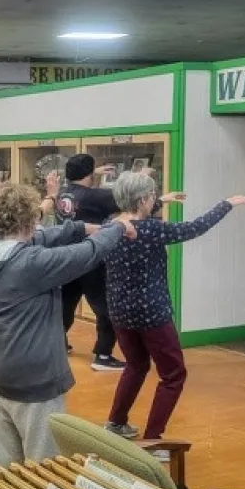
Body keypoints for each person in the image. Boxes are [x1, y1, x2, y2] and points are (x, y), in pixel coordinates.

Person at [0, 179, 134, 468]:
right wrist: (118, 226)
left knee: (3, 469)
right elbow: (87, 253)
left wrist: (81, 227)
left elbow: (43, 236)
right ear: (28, 221)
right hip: (33, 382)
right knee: (45, 470)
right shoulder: (31, 264)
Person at [103, 171, 245, 453]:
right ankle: (153, 441)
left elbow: (138, 215)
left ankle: (116, 422)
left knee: (136, 366)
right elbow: (195, 227)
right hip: (152, 314)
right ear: (144, 199)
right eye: (152, 196)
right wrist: (227, 203)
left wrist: (161, 202)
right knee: (173, 375)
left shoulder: (111, 225)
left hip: (120, 312)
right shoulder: (152, 230)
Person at [57, 154, 175, 371]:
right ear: (89, 174)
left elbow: (87, 191)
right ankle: (102, 354)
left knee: (65, 304)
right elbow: (128, 200)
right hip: (92, 259)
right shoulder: (95, 196)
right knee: (106, 309)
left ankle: (56, 344)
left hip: (68, 257)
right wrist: (147, 182)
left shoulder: (63, 193)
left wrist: (96, 173)